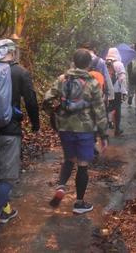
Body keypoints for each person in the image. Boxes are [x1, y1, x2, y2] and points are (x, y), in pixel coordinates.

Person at [0, 38, 40, 245]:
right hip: (9, 131)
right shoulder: (20, 72)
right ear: (12, 53)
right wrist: (35, 123)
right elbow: (31, 100)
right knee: (8, 177)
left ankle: (6, 209)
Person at [43, 48, 109, 213]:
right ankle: (79, 203)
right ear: (88, 64)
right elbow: (100, 111)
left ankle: (61, 186)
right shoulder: (93, 82)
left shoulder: (62, 79)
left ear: (73, 62)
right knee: (82, 165)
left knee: (68, 159)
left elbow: (47, 99)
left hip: (65, 127)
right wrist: (103, 134)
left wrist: (55, 111)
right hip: (85, 129)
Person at [105, 47, 128, 136]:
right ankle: (117, 129)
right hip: (116, 90)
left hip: (106, 90)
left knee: (108, 107)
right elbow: (122, 79)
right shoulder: (119, 64)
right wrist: (124, 92)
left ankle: (108, 123)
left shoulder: (104, 63)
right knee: (117, 108)